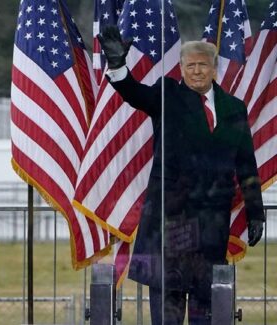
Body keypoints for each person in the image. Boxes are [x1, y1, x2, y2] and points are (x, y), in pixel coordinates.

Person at [98, 25, 265, 325]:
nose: (197, 71)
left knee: (206, 313)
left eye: (203, 65)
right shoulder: (167, 95)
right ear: (182, 69)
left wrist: (256, 213)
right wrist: (118, 66)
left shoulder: (234, 109)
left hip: (211, 229)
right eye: (191, 66)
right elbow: (134, 94)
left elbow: (247, 166)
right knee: (167, 315)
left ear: (214, 69)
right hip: (168, 228)